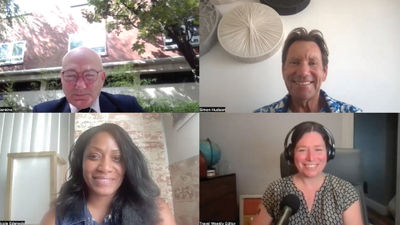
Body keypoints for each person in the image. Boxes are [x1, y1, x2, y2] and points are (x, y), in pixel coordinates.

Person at [40, 123, 176, 225]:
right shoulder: (55, 218)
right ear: (80, 162)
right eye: (94, 156)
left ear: (128, 165)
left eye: (117, 158)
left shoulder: (157, 212)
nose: (105, 168)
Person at [251, 121, 363, 225]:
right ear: (291, 153)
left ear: (329, 153)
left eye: (318, 149)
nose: (310, 158)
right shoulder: (275, 190)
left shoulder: (345, 191)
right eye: (302, 150)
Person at [254, 28, 361, 113]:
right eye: (295, 62)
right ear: (283, 70)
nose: (303, 72)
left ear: (324, 72)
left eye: (312, 63)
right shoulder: (259, 116)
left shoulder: (354, 113)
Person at [33, 47, 145, 112]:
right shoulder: (42, 112)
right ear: (62, 78)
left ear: (102, 79)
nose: (80, 85)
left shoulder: (128, 106)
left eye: (89, 75)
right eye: (71, 75)